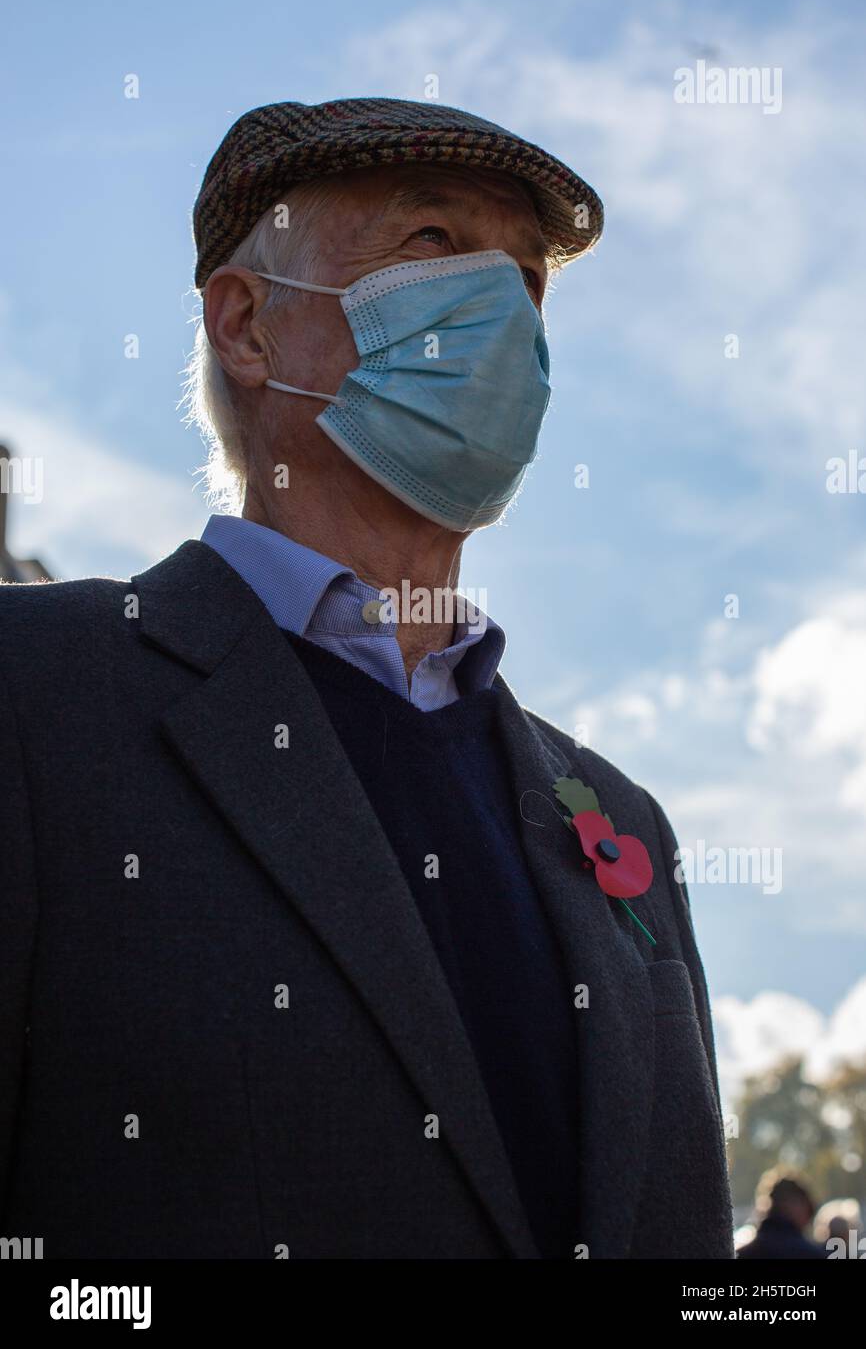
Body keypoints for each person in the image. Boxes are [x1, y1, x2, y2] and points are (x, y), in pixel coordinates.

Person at [0, 97, 733, 1260]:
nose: (499, 315)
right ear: (247, 326)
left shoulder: (619, 818)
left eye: (528, 281)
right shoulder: (35, 695)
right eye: (433, 244)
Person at [738, 1173, 827, 1259]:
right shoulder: (811, 1255)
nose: (808, 1218)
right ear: (794, 1204)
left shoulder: (741, 1254)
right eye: (808, 1209)